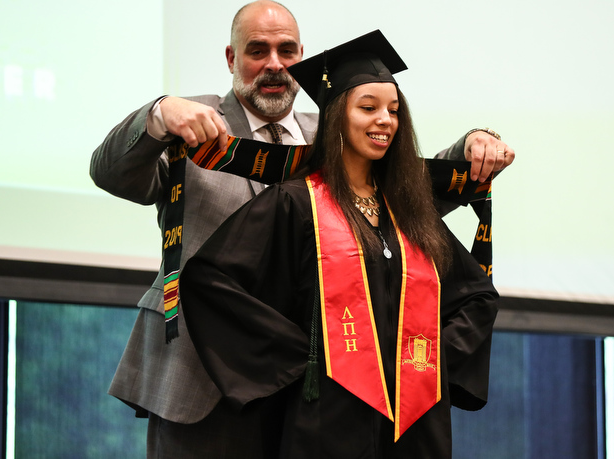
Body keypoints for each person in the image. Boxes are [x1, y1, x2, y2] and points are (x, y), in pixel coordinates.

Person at [90, 1, 511, 456]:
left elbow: (406, 188)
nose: (274, 64)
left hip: (318, 389)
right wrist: (156, 116)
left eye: (286, 50)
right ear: (232, 59)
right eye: (257, 50)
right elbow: (111, 174)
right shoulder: (194, 123)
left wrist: (470, 148)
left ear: (302, 57)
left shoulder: (335, 129)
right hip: (203, 376)